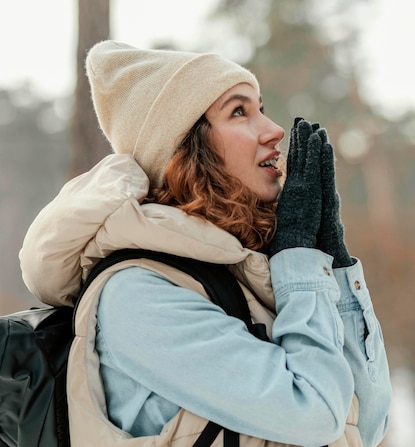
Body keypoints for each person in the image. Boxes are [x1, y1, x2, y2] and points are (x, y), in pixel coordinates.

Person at [19, 40, 391, 447]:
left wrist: (333, 266)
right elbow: (315, 415)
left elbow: (363, 427)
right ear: (187, 149)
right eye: (239, 111)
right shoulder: (140, 294)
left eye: (261, 109)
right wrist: (299, 259)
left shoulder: (243, 273)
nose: (273, 130)